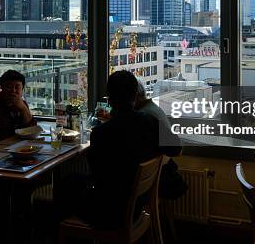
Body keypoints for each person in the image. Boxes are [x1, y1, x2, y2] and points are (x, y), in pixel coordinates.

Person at [69, 71, 181, 229]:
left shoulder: (100, 134)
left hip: (110, 212)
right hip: (141, 203)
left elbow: (96, 174)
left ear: (109, 97)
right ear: (136, 95)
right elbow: (176, 148)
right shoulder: (149, 122)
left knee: (68, 184)